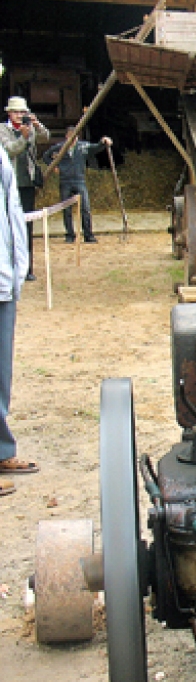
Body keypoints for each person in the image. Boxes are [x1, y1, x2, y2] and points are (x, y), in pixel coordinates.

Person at [0, 147, 38, 497]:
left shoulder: (0, 158)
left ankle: (1, 451)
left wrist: (18, 270)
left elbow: (13, 215)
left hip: (2, 281)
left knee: (1, 375)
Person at [0, 96, 49, 280]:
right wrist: (23, 136)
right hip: (8, 184)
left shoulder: (29, 128)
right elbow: (11, 149)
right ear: (9, 113)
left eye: (23, 112)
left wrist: (37, 125)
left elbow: (46, 137)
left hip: (27, 184)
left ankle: (27, 268)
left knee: (26, 225)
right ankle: (9, 267)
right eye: (16, 112)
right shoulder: (2, 129)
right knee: (8, 226)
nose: (20, 115)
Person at [42, 127, 112, 244]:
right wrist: (53, 166)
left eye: (75, 137)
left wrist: (103, 142)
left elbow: (96, 148)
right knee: (66, 209)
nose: (73, 140)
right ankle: (70, 235)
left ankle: (88, 235)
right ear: (67, 137)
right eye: (70, 137)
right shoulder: (60, 148)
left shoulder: (83, 146)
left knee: (85, 208)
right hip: (65, 180)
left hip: (79, 180)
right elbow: (46, 156)